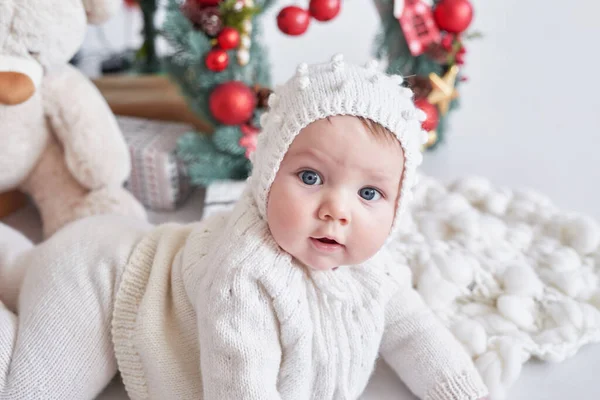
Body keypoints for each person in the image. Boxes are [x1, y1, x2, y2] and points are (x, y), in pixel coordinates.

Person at [0, 55, 489, 399]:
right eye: (311, 177)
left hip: (116, 245)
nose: (337, 211)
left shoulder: (376, 270)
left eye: (369, 194)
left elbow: (416, 333)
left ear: (397, 206)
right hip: (100, 283)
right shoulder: (244, 274)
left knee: (20, 267)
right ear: (268, 174)